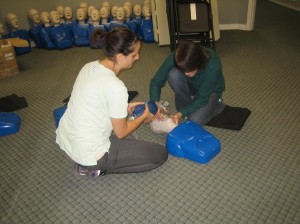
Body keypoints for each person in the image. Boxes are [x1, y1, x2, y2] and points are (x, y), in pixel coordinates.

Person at [56, 27, 168, 178]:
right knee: (160, 155)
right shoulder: (116, 87)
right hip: (91, 152)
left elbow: (95, 101)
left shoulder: (89, 66)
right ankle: (94, 169)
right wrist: (144, 116)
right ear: (120, 56)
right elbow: (121, 132)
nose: (137, 58)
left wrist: (124, 107)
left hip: (70, 140)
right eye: (134, 54)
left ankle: (86, 162)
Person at [150, 41, 225, 126]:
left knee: (194, 120)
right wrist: (154, 103)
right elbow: (156, 81)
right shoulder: (179, 55)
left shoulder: (213, 64)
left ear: (198, 64)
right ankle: (188, 109)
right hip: (193, 84)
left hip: (210, 91)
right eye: (183, 70)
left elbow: (202, 98)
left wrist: (180, 114)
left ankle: (217, 104)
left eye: (188, 70)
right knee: (173, 74)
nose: (185, 74)